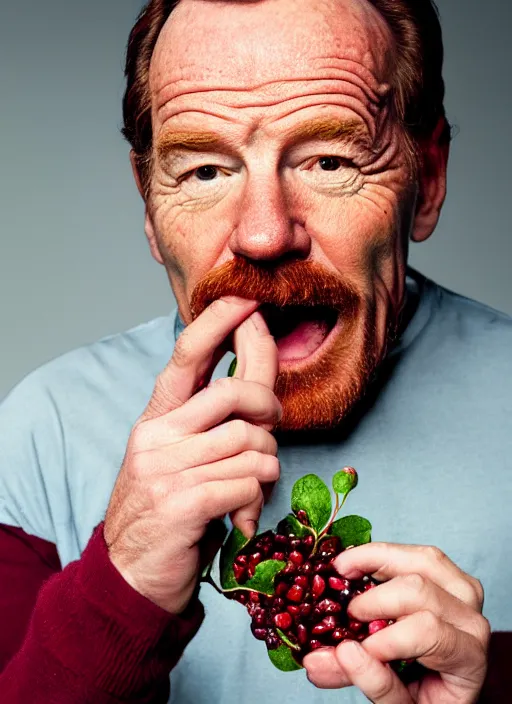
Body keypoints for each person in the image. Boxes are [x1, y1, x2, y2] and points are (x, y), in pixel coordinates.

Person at [0, 0, 510, 701]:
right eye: (206, 172)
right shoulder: (41, 432)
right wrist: (121, 586)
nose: (265, 235)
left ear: (428, 179)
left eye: (330, 160)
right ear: (149, 206)